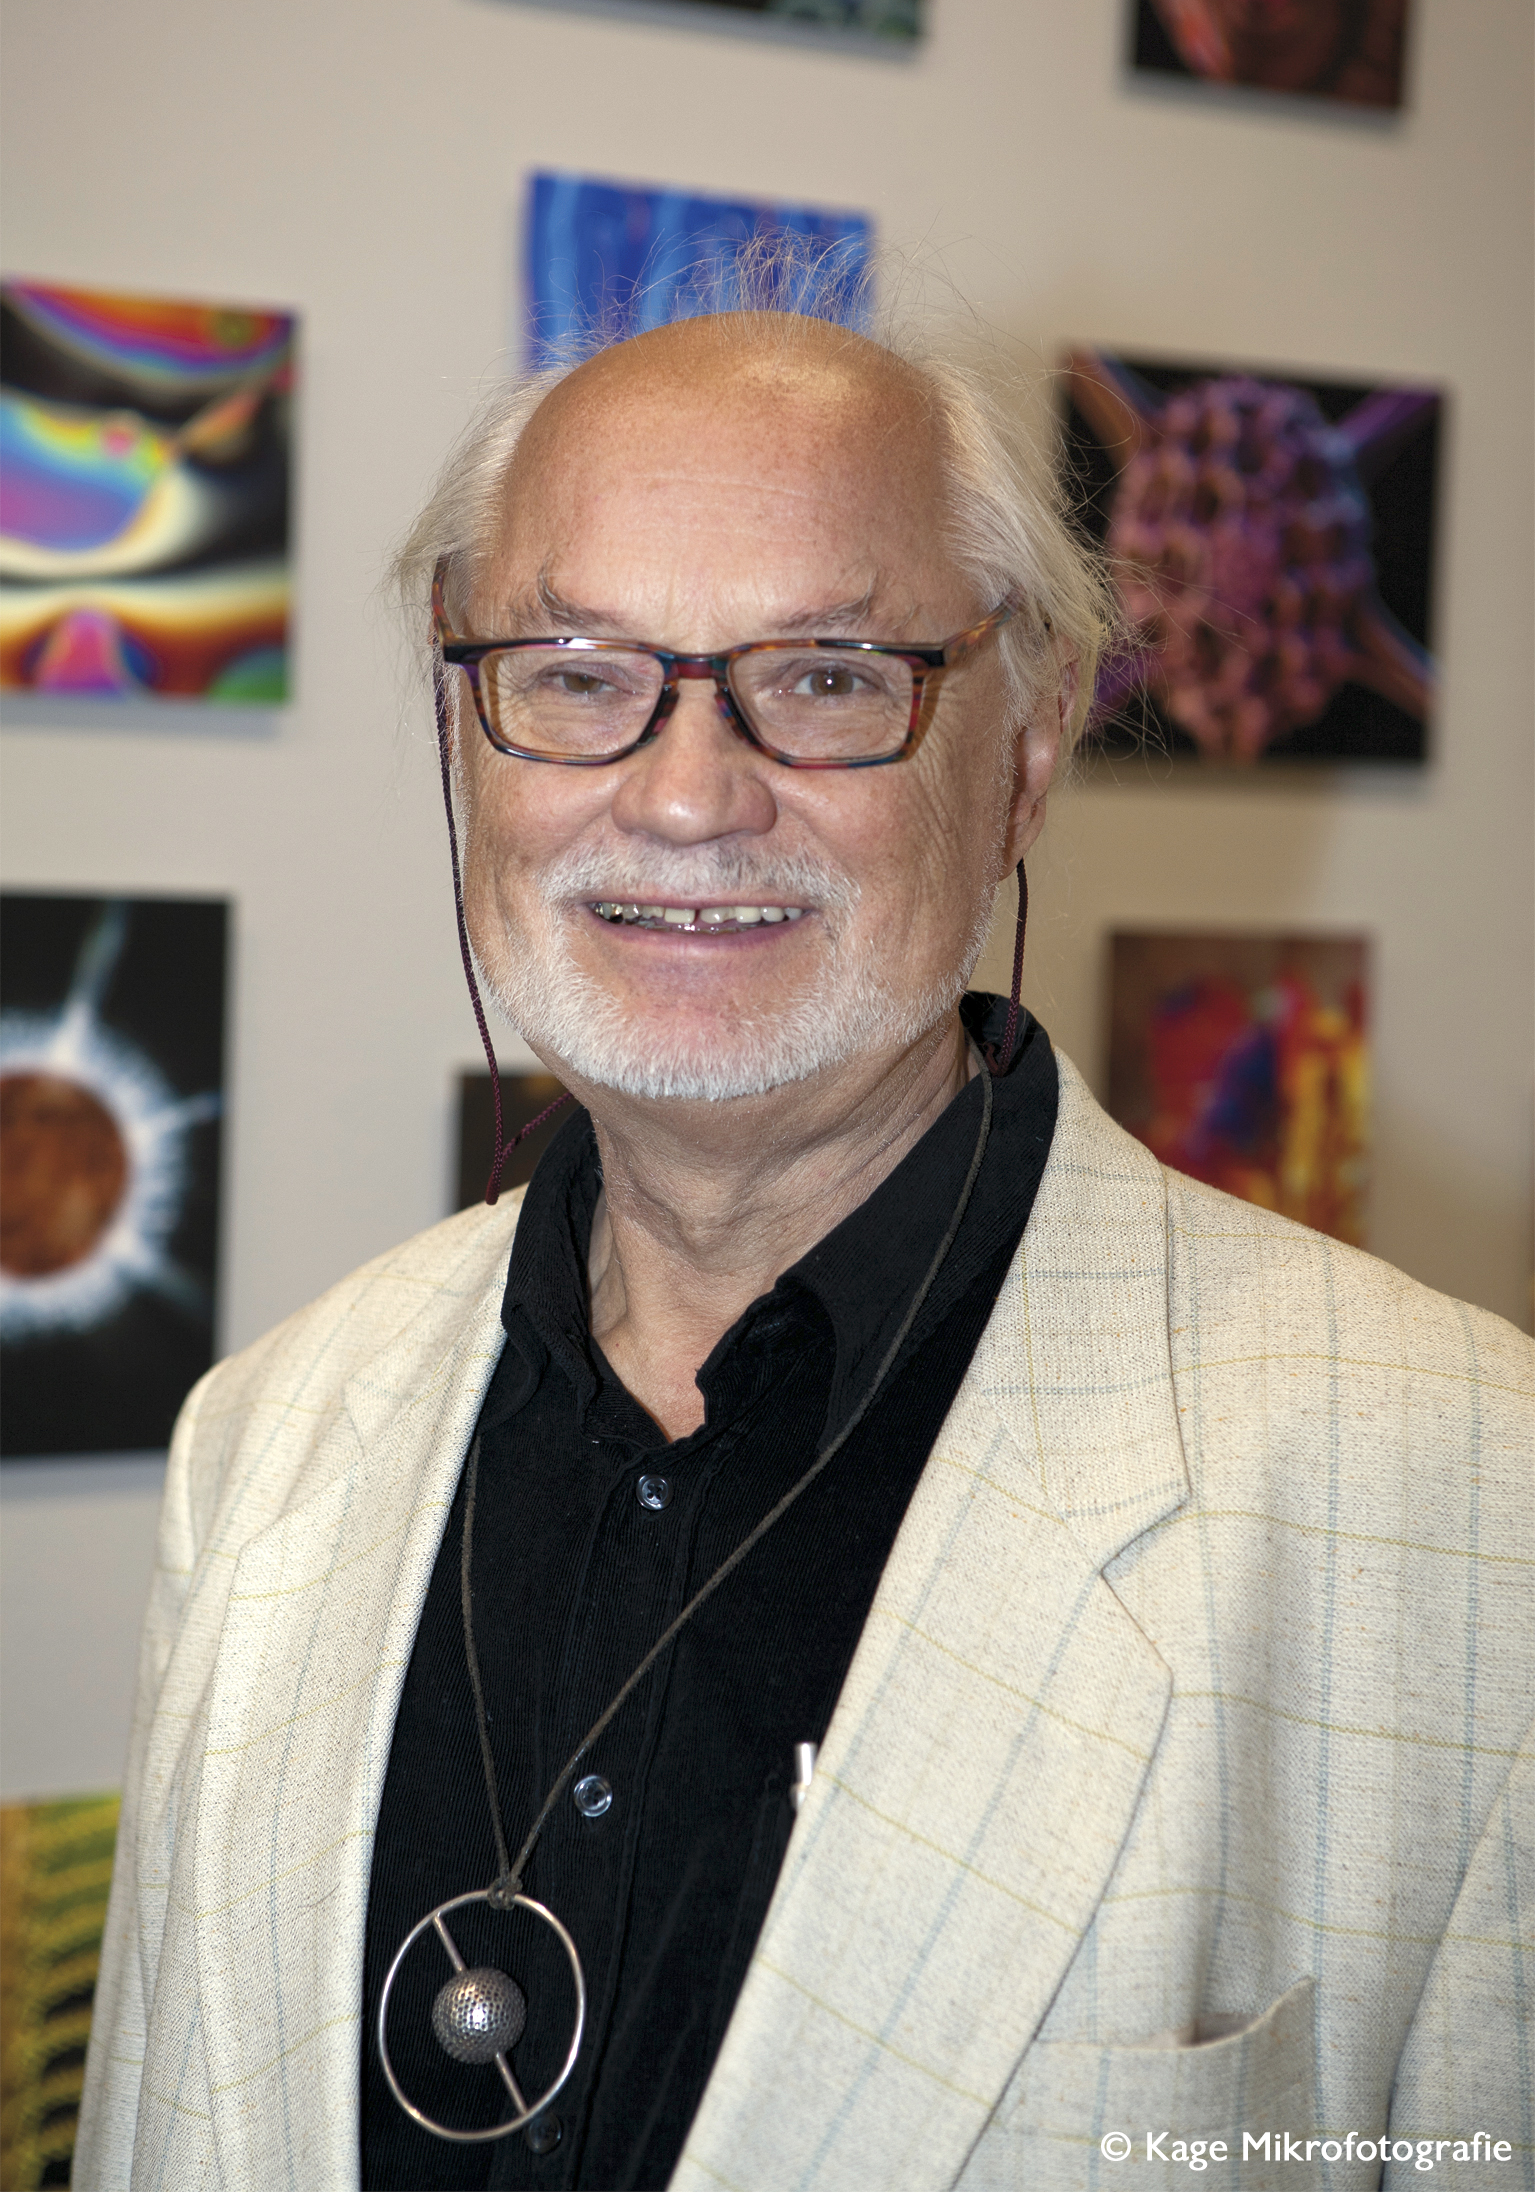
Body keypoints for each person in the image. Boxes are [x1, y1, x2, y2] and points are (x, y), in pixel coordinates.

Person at [75, 295, 1531, 2192]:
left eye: (832, 676)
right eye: (578, 672)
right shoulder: (261, 1443)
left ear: (1025, 754)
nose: (687, 795)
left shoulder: (1471, 1500)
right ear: (463, 727)